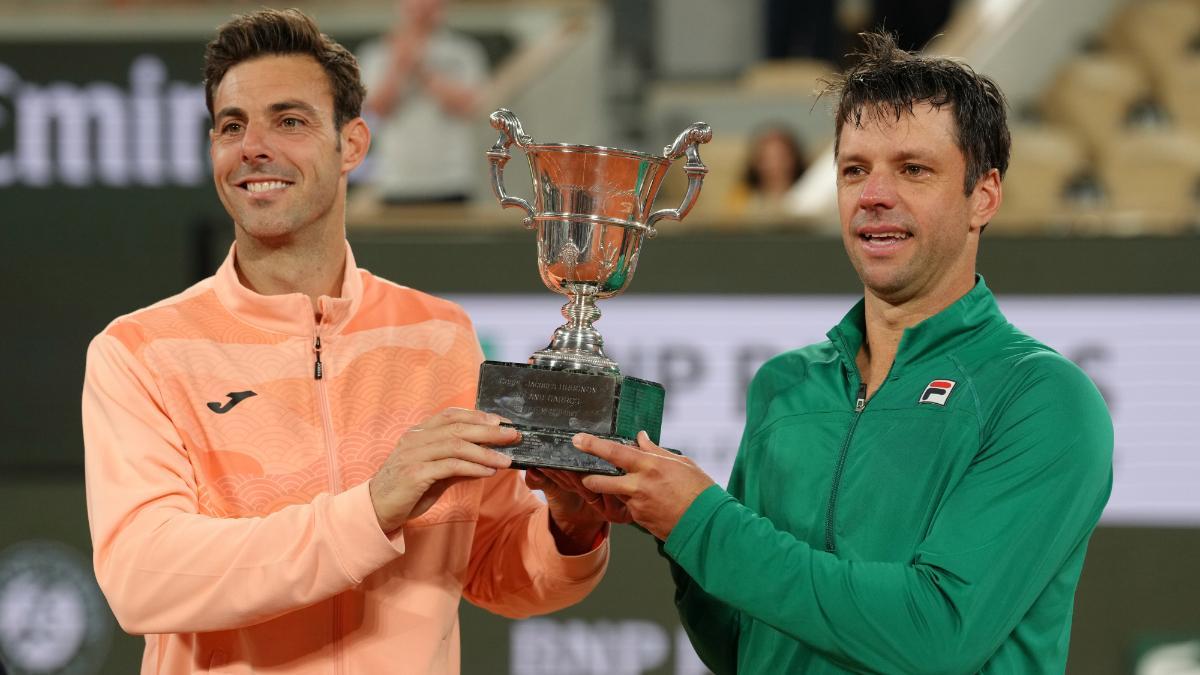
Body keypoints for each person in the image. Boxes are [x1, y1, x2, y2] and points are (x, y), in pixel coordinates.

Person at [563, 31, 1114, 673]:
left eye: (913, 169)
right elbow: (745, 648)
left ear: (983, 195)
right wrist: (668, 527)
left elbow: (936, 634)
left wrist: (702, 521)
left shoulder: (1042, 397)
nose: (873, 194)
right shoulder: (786, 385)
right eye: (855, 169)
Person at [81, 9, 609, 674]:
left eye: (289, 120)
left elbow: (494, 564)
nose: (253, 146)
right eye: (231, 125)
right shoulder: (138, 351)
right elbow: (144, 577)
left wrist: (570, 525)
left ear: (352, 144)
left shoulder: (440, 336)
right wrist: (370, 509)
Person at [356, 0, 488, 204]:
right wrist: (398, 67)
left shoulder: (464, 52)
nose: (422, 7)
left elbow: (468, 106)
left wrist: (421, 69)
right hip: (397, 180)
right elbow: (376, 110)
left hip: (452, 178)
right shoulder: (377, 53)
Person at [723, 124, 808, 218]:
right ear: (755, 162)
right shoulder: (741, 198)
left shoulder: (810, 196)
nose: (774, 165)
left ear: (794, 159)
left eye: (780, 157)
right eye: (766, 158)